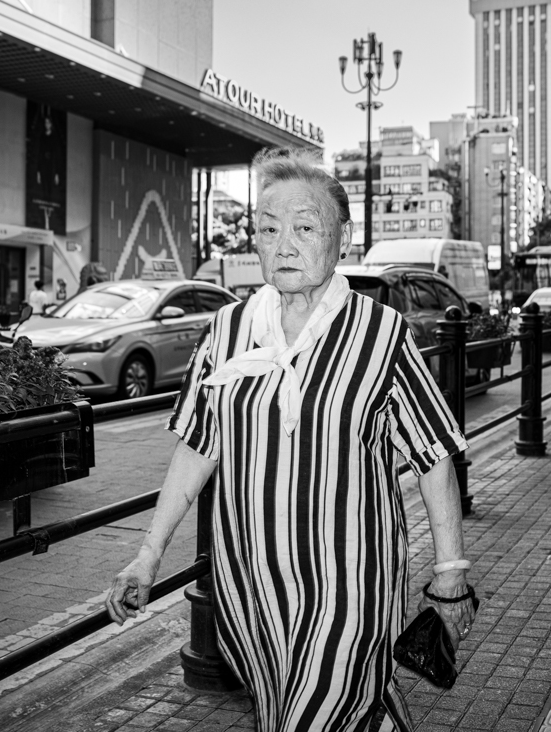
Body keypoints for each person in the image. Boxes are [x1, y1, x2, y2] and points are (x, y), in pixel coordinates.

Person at [104, 148, 475, 731]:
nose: (284, 244)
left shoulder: (381, 334)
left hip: (352, 584)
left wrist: (450, 568)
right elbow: (199, 446)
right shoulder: (228, 331)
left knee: (315, 712)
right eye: (268, 228)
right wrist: (146, 557)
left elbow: (432, 455)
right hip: (250, 586)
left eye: (305, 228)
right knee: (287, 711)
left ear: (343, 239)